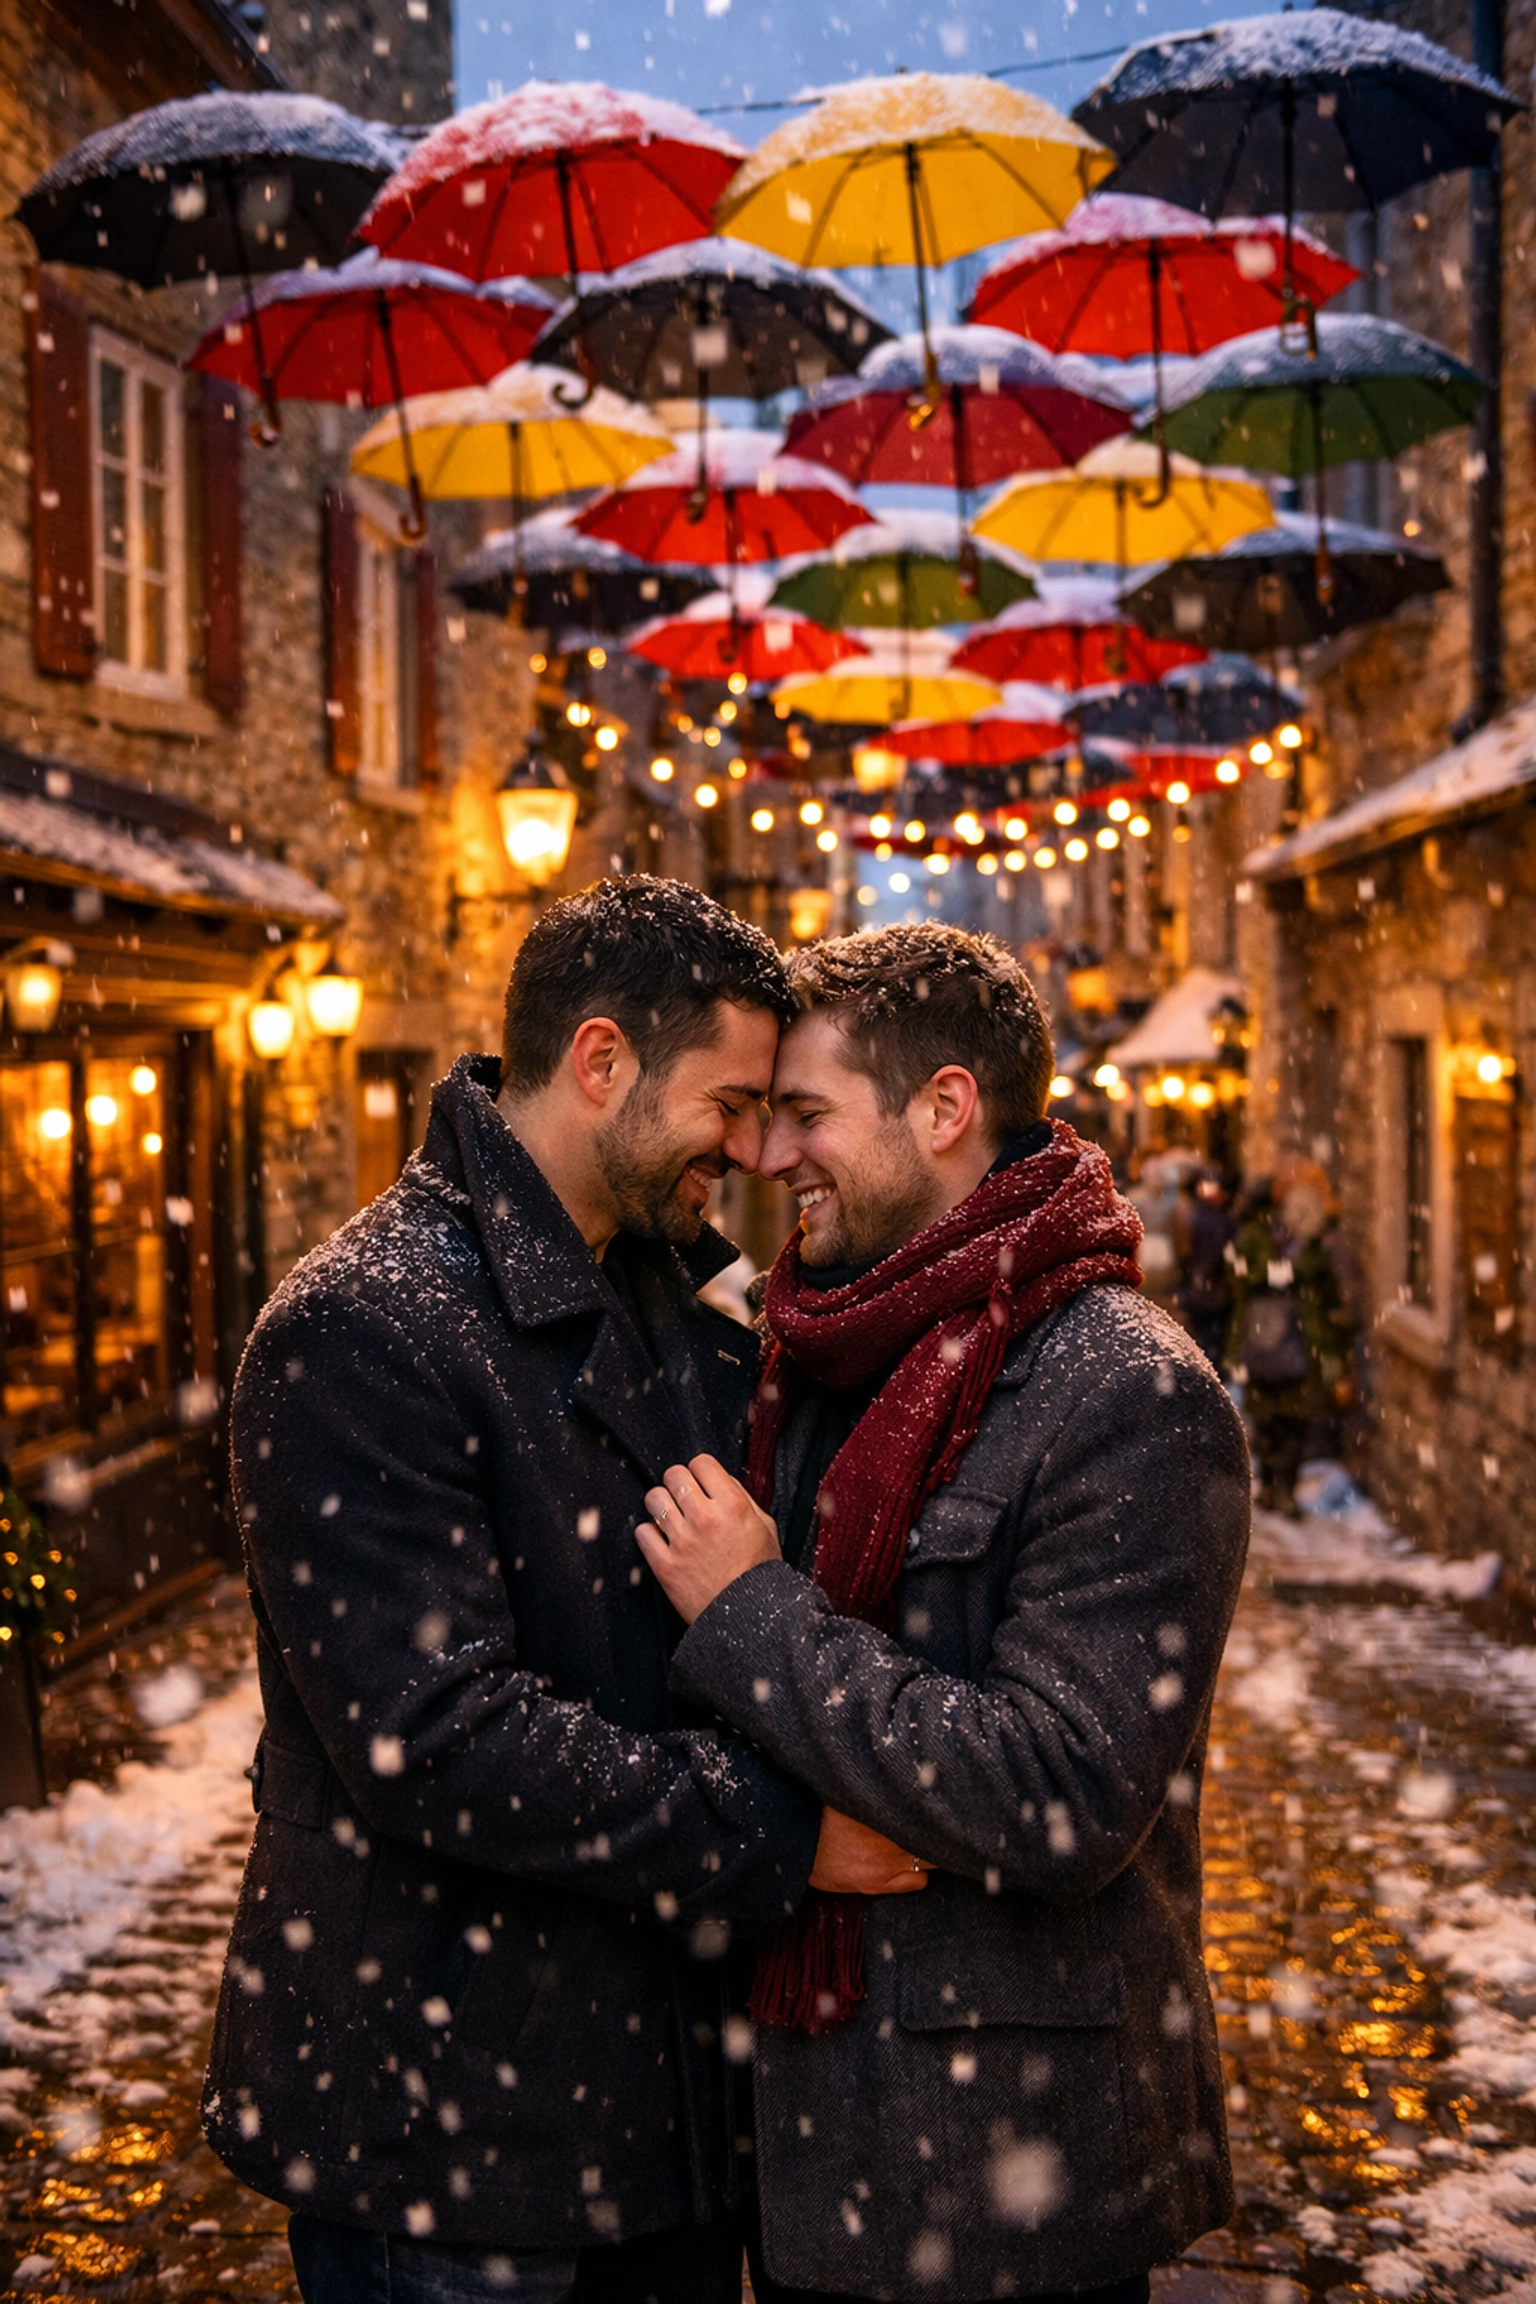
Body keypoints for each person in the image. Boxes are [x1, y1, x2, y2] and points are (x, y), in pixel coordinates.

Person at [203, 878, 925, 2304]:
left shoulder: (674, 1292)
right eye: (730, 1104)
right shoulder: (360, 1326)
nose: (753, 1151)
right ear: (602, 1063)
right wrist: (779, 1834)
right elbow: (437, 1739)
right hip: (449, 2130)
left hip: (655, 2114)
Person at [634, 923, 1252, 2304]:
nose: (768, 1155)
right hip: (803, 2144)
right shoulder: (820, 1350)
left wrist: (753, 1613)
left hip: (999, 2179)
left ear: (945, 1107)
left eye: (807, 1114)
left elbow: (1064, 1792)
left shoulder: (1128, 1391)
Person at [1227, 1163, 1355, 1513]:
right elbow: (1239, 1273)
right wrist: (1276, 1272)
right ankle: (1271, 1484)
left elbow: (1327, 1291)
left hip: (1302, 1341)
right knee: (1267, 1417)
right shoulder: (1256, 1232)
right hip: (1263, 1339)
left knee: (1296, 1419)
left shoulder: (1314, 1236)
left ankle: (1285, 1485)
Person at [1174, 1166, 1236, 1372]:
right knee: (1209, 1343)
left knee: (1202, 1343)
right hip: (1208, 1290)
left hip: (1203, 1289)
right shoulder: (1215, 1219)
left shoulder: (1196, 1217)